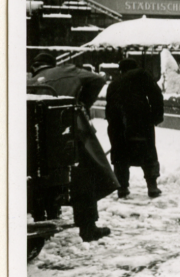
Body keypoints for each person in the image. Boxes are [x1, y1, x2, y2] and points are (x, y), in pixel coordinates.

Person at [28, 53, 118, 242]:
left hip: (37, 139)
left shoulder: (31, 82)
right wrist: (82, 102)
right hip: (68, 130)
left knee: (41, 177)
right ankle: (88, 228)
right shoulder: (67, 70)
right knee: (84, 176)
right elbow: (97, 79)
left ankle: (44, 219)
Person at [106, 59, 165, 199]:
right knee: (147, 151)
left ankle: (122, 187)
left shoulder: (114, 83)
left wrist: (113, 125)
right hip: (141, 120)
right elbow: (156, 94)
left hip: (117, 122)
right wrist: (156, 116)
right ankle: (152, 186)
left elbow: (109, 107)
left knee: (120, 154)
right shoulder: (142, 75)